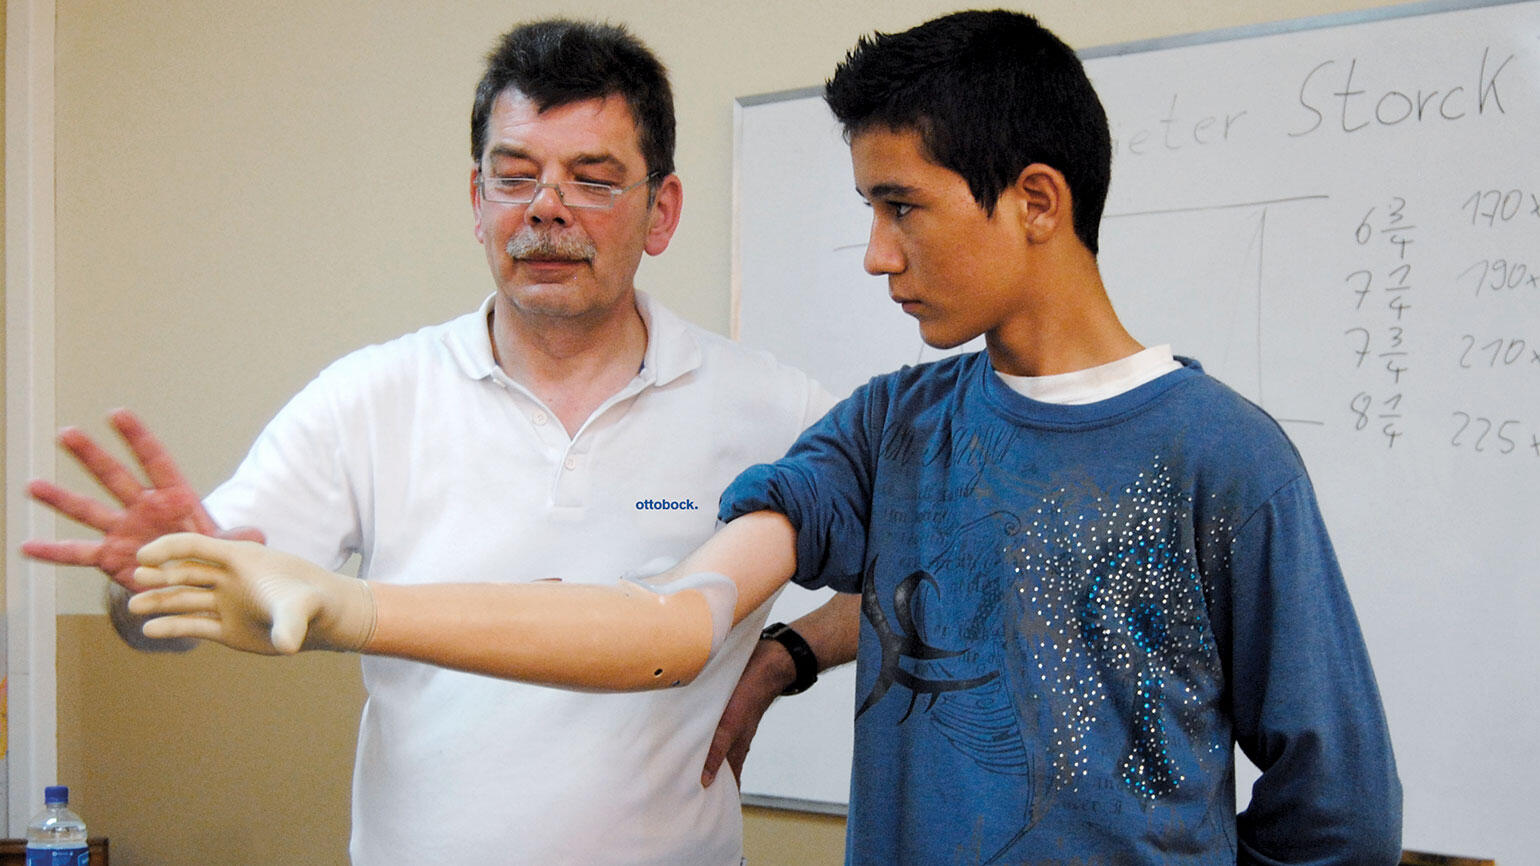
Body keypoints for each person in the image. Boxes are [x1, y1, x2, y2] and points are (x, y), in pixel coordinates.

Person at [119, 9, 1403, 865]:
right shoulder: (882, 430)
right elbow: (677, 628)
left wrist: (791, 643)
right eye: (515, 175)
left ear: (1035, 202)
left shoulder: (1225, 459)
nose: (873, 253)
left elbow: (1335, 805)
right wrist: (783, 642)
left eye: (900, 205)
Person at [23, 18, 853, 866]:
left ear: (660, 210)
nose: (546, 207)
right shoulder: (370, 397)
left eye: (593, 180)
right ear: (477, 200)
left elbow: (930, 557)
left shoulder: (768, 405)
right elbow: (175, 617)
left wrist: (788, 656)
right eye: (515, 175)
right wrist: (145, 586)